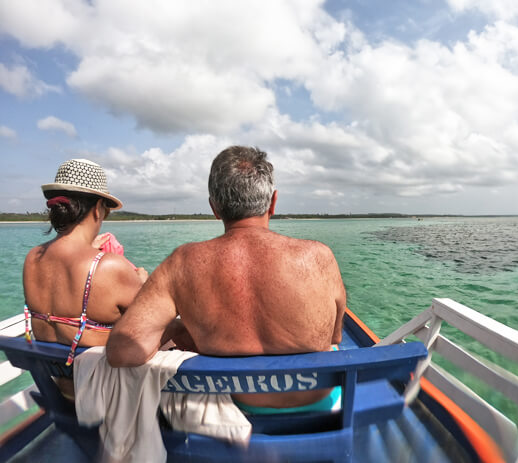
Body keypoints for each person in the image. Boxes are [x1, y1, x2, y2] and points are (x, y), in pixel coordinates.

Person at [107, 146, 346, 411]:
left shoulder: (182, 262)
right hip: (317, 402)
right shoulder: (319, 257)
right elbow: (334, 337)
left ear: (214, 207)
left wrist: (178, 328)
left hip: (234, 408)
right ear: (273, 202)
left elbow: (122, 352)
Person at [23, 159, 148, 369]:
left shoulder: (32, 258)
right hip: (104, 394)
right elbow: (154, 319)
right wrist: (144, 283)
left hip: (58, 390)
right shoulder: (108, 266)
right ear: (98, 208)